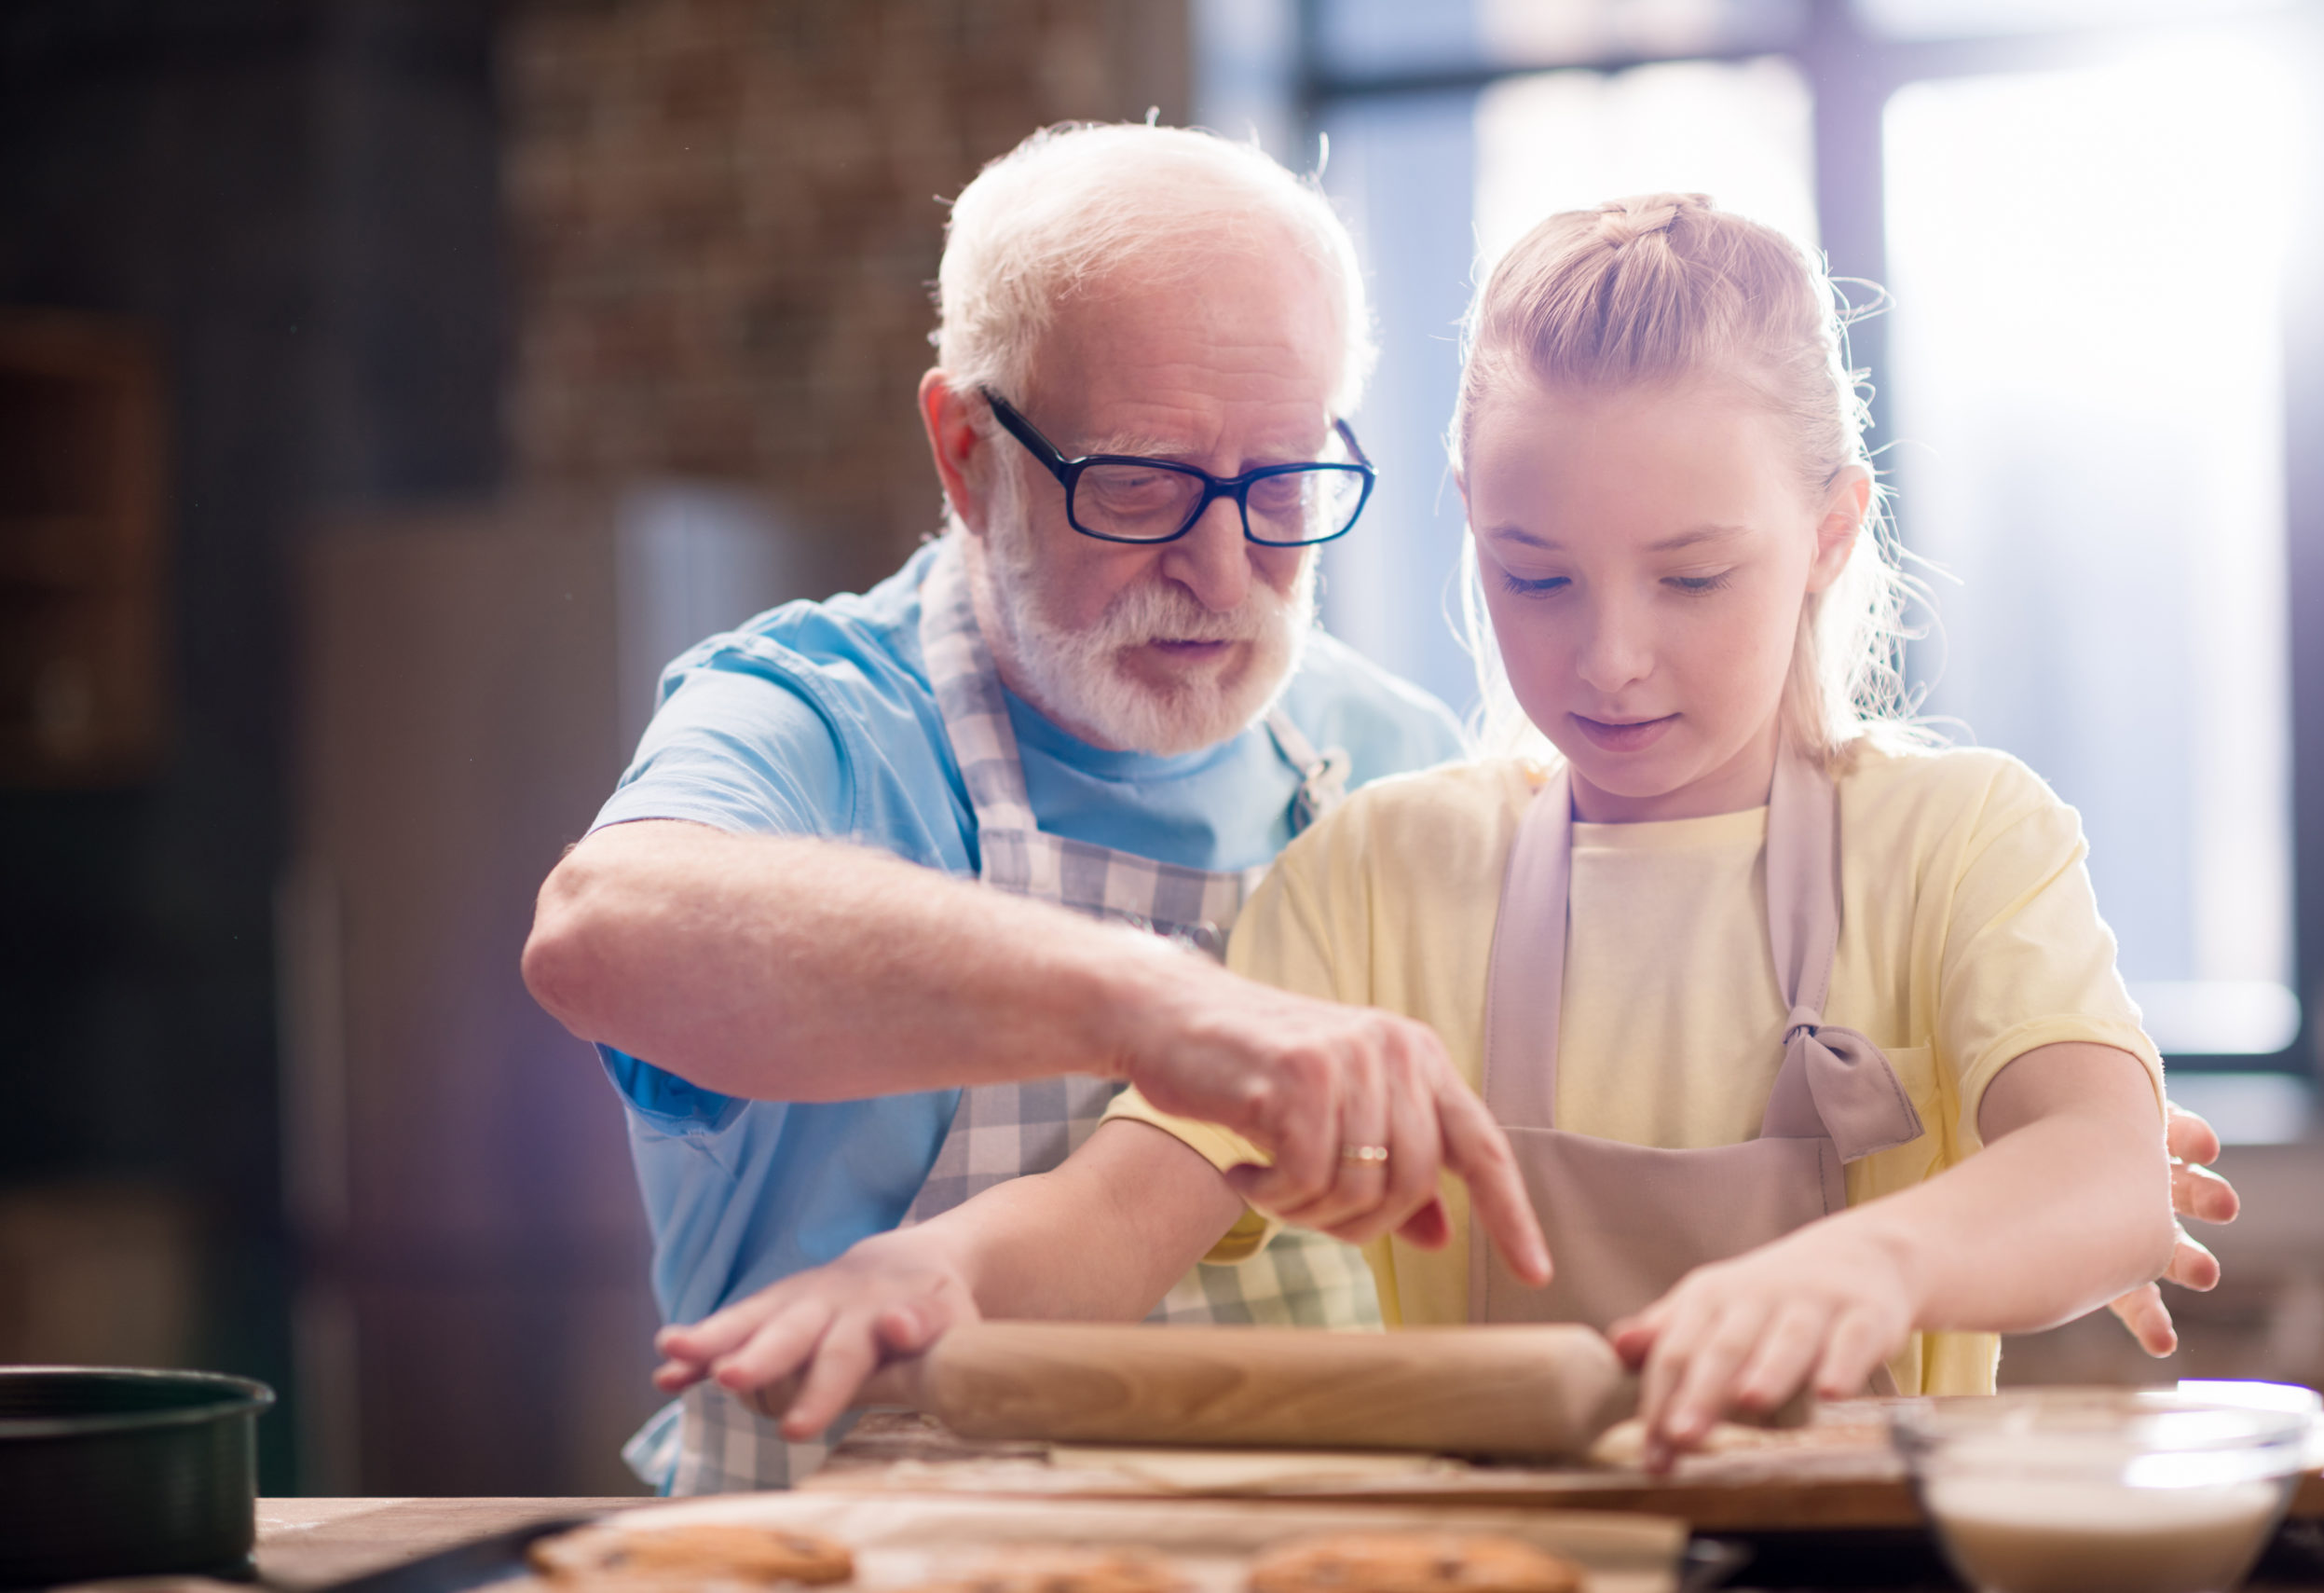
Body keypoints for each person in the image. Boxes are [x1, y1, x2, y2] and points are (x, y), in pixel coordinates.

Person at [651, 192, 2243, 1467]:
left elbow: (2104, 1171)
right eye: (1533, 576)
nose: (1608, 655)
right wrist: (942, 1273)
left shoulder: (1965, 838)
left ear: (1830, 533)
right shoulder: (1378, 869)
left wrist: (1877, 1262)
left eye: (1693, 577)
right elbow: (1125, 1201)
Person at [521, 121, 1556, 1496]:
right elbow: (599, 931)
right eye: (1141, 482)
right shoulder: (823, 719)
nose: (1223, 566)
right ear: (965, 451)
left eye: (1284, 476)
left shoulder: (1390, 754)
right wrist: (1159, 1006)